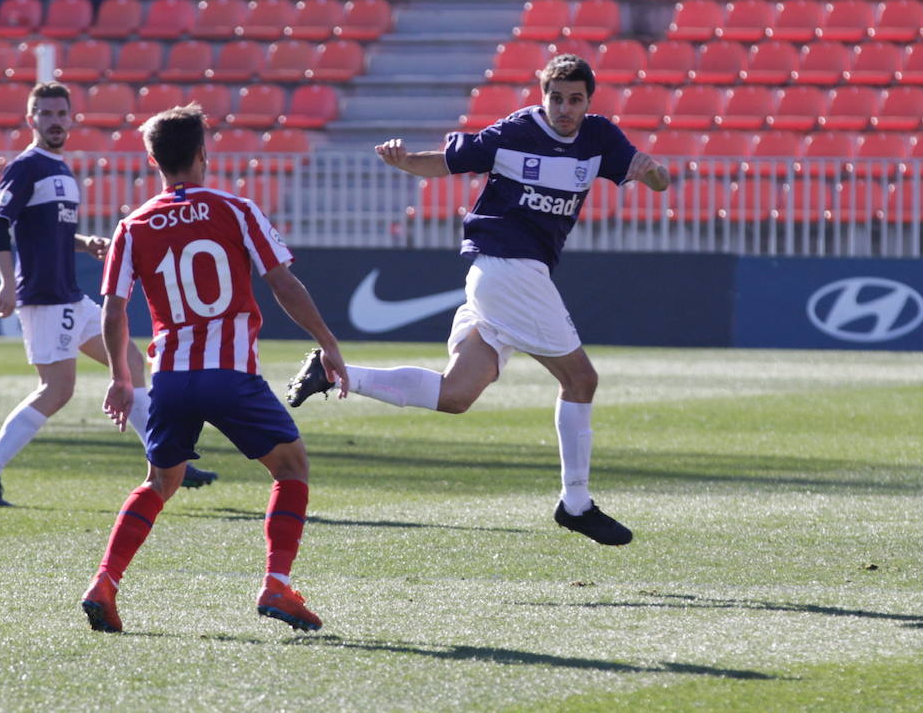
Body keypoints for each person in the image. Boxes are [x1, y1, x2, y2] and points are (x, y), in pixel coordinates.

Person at [286, 54, 671, 547]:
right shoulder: (515, 132)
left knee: (455, 396)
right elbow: (445, 162)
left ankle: (337, 373)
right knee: (581, 379)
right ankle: (576, 502)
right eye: (556, 98)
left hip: (500, 277)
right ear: (542, 95)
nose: (564, 109)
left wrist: (651, 170)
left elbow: (656, 181)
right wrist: (406, 162)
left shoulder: (600, 137)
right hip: (509, 269)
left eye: (575, 99)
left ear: (588, 101)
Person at [81, 104, 349, 634]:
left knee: (161, 480)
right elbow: (283, 284)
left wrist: (120, 377)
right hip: (230, 373)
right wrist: (328, 343)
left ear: (152, 159)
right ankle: (276, 582)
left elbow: (113, 309)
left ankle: (105, 582)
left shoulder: (133, 226)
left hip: (171, 380)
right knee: (292, 467)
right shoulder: (236, 209)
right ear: (204, 153)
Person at [0, 83, 217, 508]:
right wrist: (6, 281)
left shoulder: (61, 169)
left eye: (61, 112)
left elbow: (48, 232)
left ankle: (168, 459)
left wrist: (83, 243)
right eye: (45, 114)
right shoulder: (27, 167)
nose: (55, 120)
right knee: (57, 388)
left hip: (69, 295)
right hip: (44, 296)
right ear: (32, 120)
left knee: (131, 365)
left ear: (71, 118)